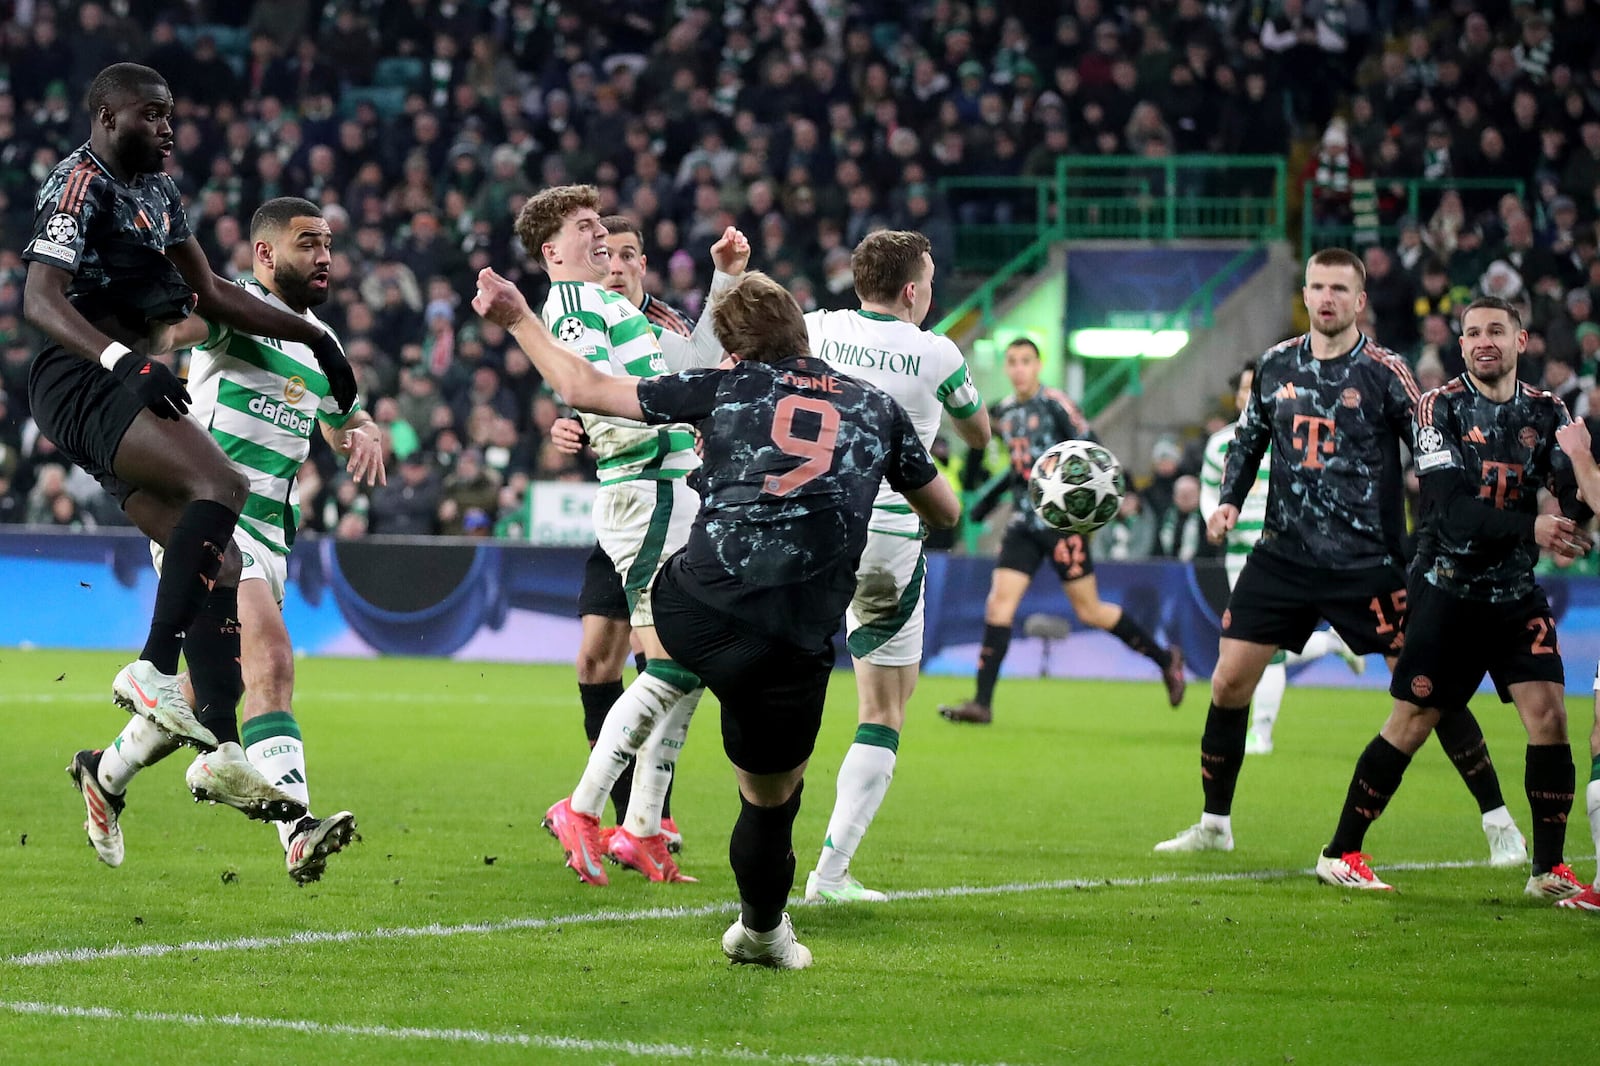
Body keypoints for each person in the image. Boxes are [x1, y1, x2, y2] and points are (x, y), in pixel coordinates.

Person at [474, 267, 960, 969]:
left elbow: (583, 389)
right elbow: (945, 512)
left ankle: (618, 804)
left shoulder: (726, 386)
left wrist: (519, 316)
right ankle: (761, 933)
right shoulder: (876, 407)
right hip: (792, 640)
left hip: (696, 605)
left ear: (737, 353)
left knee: (665, 622)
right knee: (769, 804)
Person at [29, 64, 355, 865]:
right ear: (106, 116)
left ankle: (177, 756)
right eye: (152, 114)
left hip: (119, 386)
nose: (170, 127)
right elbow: (37, 299)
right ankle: (151, 667)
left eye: (172, 114)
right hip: (80, 377)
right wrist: (119, 357)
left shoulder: (163, 194)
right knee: (223, 485)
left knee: (221, 561)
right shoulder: (78, 183)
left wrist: (314, 337)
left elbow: (207, 292)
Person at [1155, 250, 1527, 866]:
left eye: (1339, 289)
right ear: (1306, 294)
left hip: (1368, 564)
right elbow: (1249, 441)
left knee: (1426, 689)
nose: (1326, 298)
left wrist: (1447, 520)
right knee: (1227, 683)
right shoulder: (1276, 364)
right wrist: (1227, 503)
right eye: (1317, 287)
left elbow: (1429, 450)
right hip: (1281, 557)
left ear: (1359, 301)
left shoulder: (1387, 372)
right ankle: (1214, 822)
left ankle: (1498, 822)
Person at [125, 196, 372, 882]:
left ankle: (106, 771)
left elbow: (341, 418)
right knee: (273, 662)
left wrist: (365, 431)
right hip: (210, 514)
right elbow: (178, 329)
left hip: (273, 529)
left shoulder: (320, 338)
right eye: (306, 244)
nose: (323, 256)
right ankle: (297, 827)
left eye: (327, 243)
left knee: (216, 688)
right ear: (265, 254)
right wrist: (143, 342)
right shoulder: (233, 310)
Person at [1315, 297, 1587, 899]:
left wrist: (1578, 513)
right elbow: (1450, 510)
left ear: (1522, 341)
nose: (1484, 340)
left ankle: (1548, 871)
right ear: (1460, 346)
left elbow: (1572, 491)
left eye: (1497, 330)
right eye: (1472, 333)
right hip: (1446, 591)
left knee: (1550, 717)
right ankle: (1341, 851)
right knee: (1411, 723)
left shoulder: (1548, 412)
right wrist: (1532, 529)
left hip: (1516, 595)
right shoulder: (1437, 408)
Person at [522, 185, 738, 887]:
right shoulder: (579, 305)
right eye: (587, 230)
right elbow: (592, 388)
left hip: (671, 489)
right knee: (664, 661)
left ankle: (643, 827)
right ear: (555, 251)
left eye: (608, 234)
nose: (602, 242)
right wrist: (592, 424)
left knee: (686, 664)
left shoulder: (625, 310)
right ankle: (585, 809)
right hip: (643, 490)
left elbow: (683, 371)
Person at [780, 230, 991, 903]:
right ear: (911, 290)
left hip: (806, 523)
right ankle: (831, 874)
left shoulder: (813, 327)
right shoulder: (936, 352)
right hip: (888, 537)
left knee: (784, 687)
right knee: (886, 705)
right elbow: (978, 432)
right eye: (927, 283)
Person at [939, 337, 1186, 725]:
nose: (1019, 368)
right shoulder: (1002, 412)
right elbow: (1024, 469)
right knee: (998, 605)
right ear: (1007, 368)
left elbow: (1093, 452)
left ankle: (1164, 659)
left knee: (1090, 611)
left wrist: (1117, 496)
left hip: (1062, 524)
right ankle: (982, 703)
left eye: (1026, 361)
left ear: (1038, 366)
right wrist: (990, 497)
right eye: (1013, 362)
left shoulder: (1056, 404)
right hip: (1023, 523)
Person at [561, 214, 705, 852]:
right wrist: (568, 433)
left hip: (666, 497)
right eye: (603, 253)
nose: (613, 265)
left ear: (643, 265)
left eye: (625, 255)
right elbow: (584, 404)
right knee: (597, 659)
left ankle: (646, 817)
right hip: (625, 502)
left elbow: (699, 394)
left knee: (664, 658)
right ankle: (622, 812)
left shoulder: (670, 334)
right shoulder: (587, 318)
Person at [1198, 362, 1365, 757]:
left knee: (1261, 645)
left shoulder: (1293, 439)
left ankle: (1262, 733)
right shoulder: (1219, 444)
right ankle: (1330, 644)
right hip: (1237, 555)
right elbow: (1210, 492)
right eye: (1243, 389)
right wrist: (1213, 518)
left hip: (1280, 552)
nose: (1248, 396)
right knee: (1248, 645)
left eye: (1255, 388)